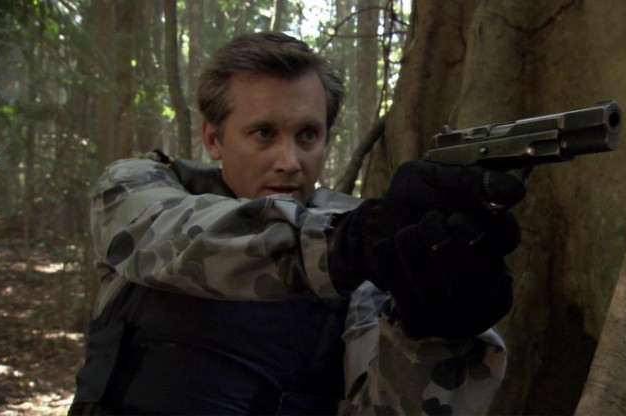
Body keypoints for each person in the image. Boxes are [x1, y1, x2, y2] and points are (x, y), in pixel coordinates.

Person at [69, 32, 524, 415]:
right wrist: (342, 243)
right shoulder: (140, 188)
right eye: (264, 133)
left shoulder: (370, 248)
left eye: (307, 135)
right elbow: (182, 240)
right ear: (213, 138)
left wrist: (433, 336)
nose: (289, 161)